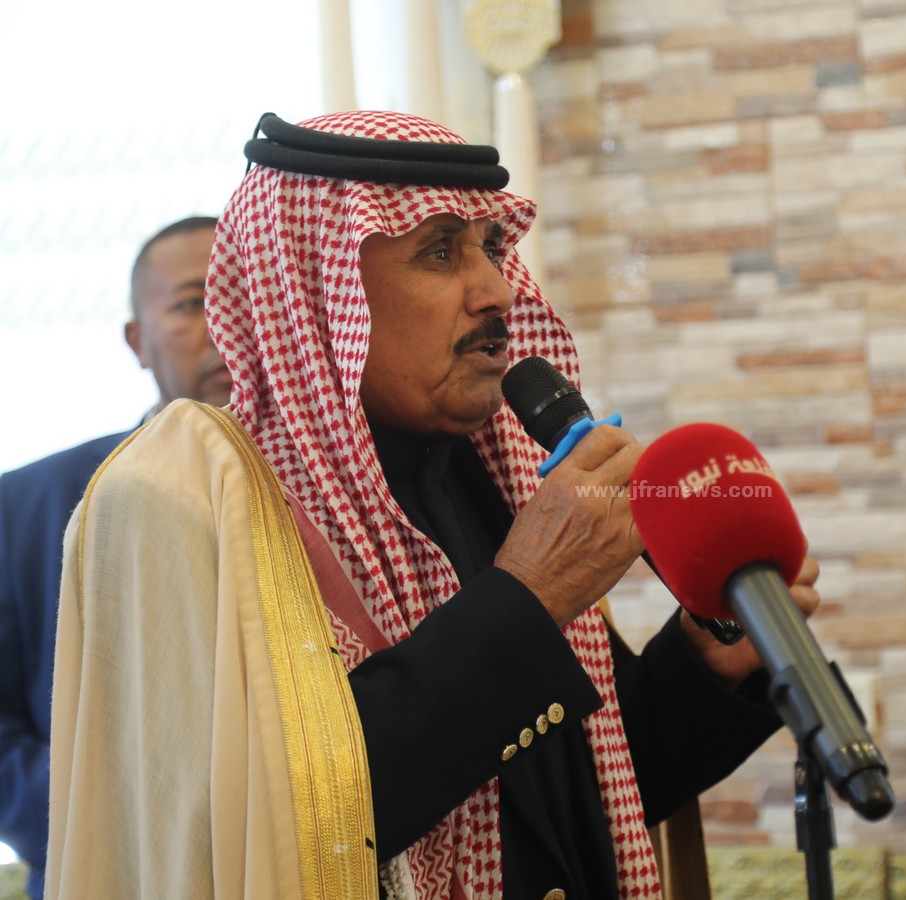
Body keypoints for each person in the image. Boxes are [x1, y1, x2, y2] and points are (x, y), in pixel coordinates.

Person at [44, 111, 821, 900]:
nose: (497, 291)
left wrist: (701, 668)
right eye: (441, 251)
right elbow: (258, 834)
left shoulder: (491, 478)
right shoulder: (184, 501)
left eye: (493, 247)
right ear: (317, 291)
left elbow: (580, 801)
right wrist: (527, 597)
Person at [0, 215, 228, 900]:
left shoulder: (342, 491)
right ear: (137, 340)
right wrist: (99, 816)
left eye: (244, 295)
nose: (224, 325)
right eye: (192, 303)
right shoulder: (30, 503)